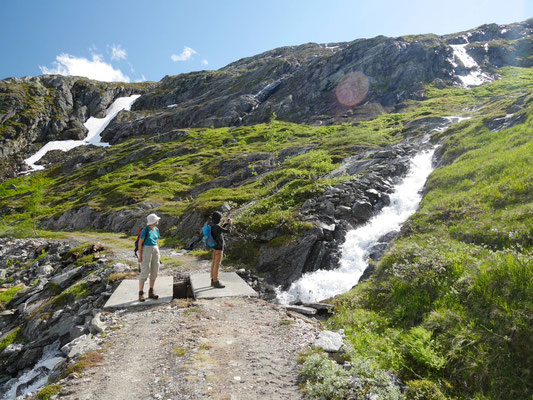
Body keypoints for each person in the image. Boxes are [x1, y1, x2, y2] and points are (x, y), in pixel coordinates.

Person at [137, 213, 161, 302]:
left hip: (155, 249)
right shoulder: (145, 230)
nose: (158, 221)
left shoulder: (156, 229)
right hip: (146, 250)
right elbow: (140, 243)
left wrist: (157, 250)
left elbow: (157, 240)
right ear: (153, 221)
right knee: (144, 271)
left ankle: (151, 291)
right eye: (156, 219)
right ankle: (141, 293)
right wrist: (140, 255)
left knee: (155, 270)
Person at [210, 211, 232, 288]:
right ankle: (216, 281)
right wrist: (230, 224)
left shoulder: (212, 225)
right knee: (217, 264)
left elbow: (220, 229)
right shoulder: (216, 227)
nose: (220, 219)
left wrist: (225, 224)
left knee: (213, 263)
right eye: (220, 218)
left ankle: (212, 279)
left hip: (215, 248)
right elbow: (228, 231)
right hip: (219, 248)